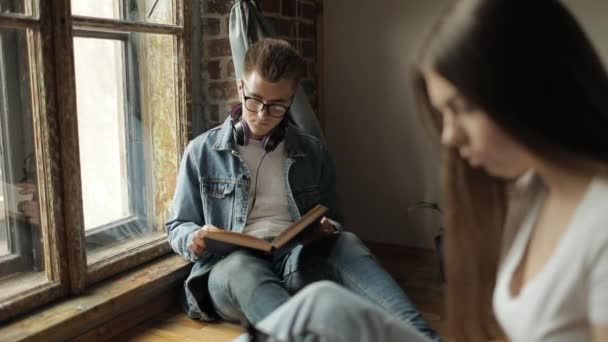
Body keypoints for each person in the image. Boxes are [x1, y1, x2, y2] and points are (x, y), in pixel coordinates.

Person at [233, 1, 608, 341]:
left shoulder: (599, 225)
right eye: (444, 114)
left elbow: (333, 213)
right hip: (243, 262)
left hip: (301, 254)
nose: (449, 135)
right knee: (320, 304)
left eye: (461, 108)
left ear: (531, 88)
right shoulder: (528, 190)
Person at [166, 38, 438, 339]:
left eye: (276, 106)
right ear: (240, 87)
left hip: (294, 260)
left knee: (346, 243)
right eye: (254, 100)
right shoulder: (201, 151)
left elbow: (333, 216)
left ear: (291, 100)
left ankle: (425, 338)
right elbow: (178, 225)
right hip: (229, 271)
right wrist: (193, 238)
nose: (260, 115)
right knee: (244, 267)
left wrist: (327, 228)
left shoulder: (312, 152)